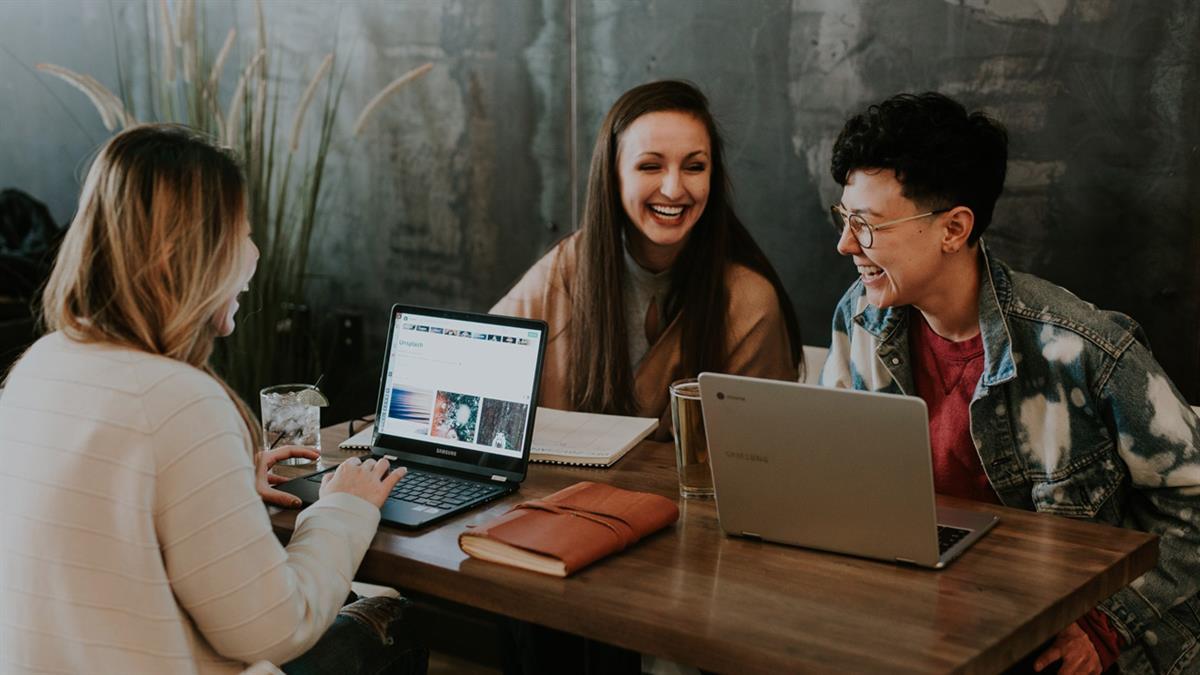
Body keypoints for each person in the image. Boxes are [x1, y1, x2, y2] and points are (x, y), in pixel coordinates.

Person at [0, 125, 425, 675]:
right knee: (396, 621)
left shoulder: (38, 365)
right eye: (240, 233)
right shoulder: (179, 400)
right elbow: (276, 629)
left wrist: (225, 487)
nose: (254, 253)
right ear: (181, 256)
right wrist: (345, 508)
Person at [820, 92, 1200, 675]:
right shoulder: (861, 316)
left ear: (954, 228)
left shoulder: (1081, 348)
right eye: (844, 218)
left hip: (1056, 639)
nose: (846, 244)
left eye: (867, 225)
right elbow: (838, 479)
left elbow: (1192, 502)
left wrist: (1106, 626)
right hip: (924, 622)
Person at [492, 79, 802, 438]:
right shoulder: (565, 268)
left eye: (694, 167)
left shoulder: (749, 301)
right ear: (613, 175)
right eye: (650, 166)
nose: (673, 189)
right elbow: (478, 368)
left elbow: (762, 450)